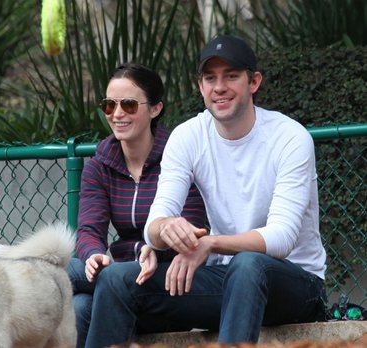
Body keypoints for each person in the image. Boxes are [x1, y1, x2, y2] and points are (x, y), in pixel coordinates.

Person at [83, 35, 328, 347]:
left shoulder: (290, 138)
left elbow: (281, 237)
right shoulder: (188, 137)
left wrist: (210, 244)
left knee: (248, 263)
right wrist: (167, 230)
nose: (219, 87)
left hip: (296, 286)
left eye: (231, 76)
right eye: (210, 78)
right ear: (200, 86)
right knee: (118, 280)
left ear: (253, 82)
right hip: (226, 283)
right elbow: (155, 222)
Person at [67, 63, 207, 348]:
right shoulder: (99, 165)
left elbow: (192, 228)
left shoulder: (178, 157)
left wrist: (155, 248)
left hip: (163, 279)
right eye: (109, 105)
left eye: (129, 105)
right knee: (77, 300)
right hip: (114, 271)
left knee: (68, 282)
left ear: (155, 109)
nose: (117, 114)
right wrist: (94, 254)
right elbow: (89, 228)